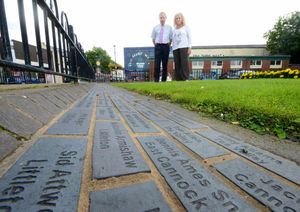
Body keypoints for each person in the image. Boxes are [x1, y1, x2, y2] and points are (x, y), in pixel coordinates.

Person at [151, 12, 173, 82]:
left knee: (165, 64)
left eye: (163, 17)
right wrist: (157, 45)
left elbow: (171, 38)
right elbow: (153, 39)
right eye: (161, 17)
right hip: (158, 46)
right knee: (157, 64)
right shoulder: (155, 27)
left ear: (166, 18)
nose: (162, 19)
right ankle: (156, 80)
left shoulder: (169, 27)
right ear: (159, 18)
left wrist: (167, 45)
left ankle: (164, 80)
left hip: (166, 46)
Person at [172, 13, 191, 81]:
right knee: (177, 64)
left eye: (179, 18)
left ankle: (185, 78)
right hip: (175, 48)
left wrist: (189, 47)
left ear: (182, 19)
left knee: (184, 63)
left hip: (184, 47)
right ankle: (178, 79)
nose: (178, 19)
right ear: (175, 20)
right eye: (176, 18)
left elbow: (189, 38)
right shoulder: (173, 30)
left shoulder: (186, 27)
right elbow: (172, 39)